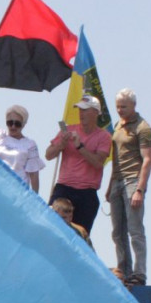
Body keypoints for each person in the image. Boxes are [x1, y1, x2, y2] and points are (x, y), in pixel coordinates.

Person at [44, 97, 112, 236]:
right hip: (64, 188)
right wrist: (61, 145)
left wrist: (80, 146)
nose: (81, 113)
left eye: (85, 110)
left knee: (79, 236)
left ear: (96, 112)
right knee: (51, 229)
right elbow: (48, 155)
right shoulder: (68, 130)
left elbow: (98, 163)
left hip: (86, 193)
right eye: (80, 109)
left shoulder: (104, 136)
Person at [106, 89, 151, 286]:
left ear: (133, 105)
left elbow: (148, 159)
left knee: (135, 230)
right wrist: (110, 185)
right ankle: (124, 271)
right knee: (118, 232)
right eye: (118, 106)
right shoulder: (118, 125)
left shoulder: (143, 127)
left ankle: (139, 272)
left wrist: (140, 189)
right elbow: (115, 158)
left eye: (124, 107)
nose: (120, 110)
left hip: (133, 180)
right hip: (117, 181)